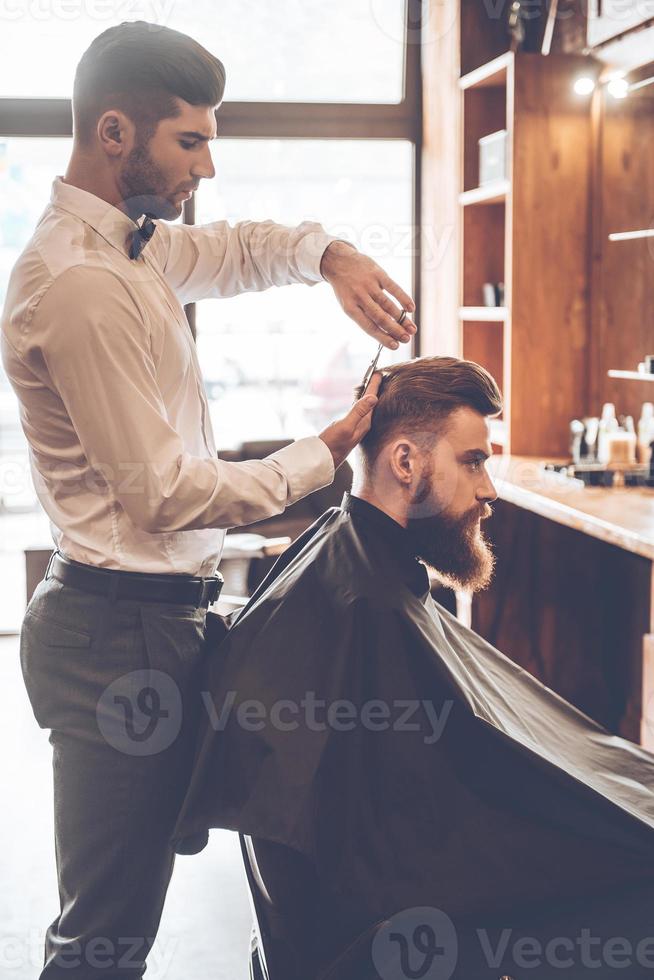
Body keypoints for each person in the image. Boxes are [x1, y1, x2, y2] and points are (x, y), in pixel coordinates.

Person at [0, 20, 417, 980]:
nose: (208, 167)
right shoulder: (77, 286)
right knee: (104, 938)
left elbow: (231, 252)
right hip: (117, 640)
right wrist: (329, 450)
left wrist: (330, 255)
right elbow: (165, 495)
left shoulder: (135, 250)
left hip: (163, 623)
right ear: (115, 133)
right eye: (191, 142)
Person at [174, 356, 654, 980]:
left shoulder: (342, 548)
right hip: (369, 941)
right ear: (406, 462)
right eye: (473, 461)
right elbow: (425, 844)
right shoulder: (368, 603)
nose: (490, 490)